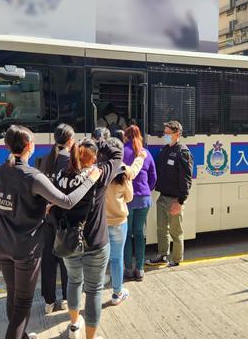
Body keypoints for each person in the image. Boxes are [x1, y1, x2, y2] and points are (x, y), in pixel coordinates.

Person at [0, 125, 100, 339]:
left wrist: (41, 207)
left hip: (0, 244)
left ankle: (21, 336)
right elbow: (67, 201)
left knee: (12, 295)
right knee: (23, 304)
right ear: (30, 145)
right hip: (24, 248)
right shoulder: (34, 177)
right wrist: (90, 179)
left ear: (6, 146)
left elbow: (4, 205)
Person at [54, 138, 122, 339]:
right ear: (93, 158)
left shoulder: (61, 176)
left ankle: (74, 325)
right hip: (95, 242)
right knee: (93, 291)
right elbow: (118, 154)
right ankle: (90, 337)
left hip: (69, 242)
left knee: (74, 282)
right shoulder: (98, 174)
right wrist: (100, 142)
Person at [36, 124, 75, 314]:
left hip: (47, 218)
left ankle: (49, 301)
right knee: (66, 259)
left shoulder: (44, 160)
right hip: (64, 219)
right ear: (70, 141)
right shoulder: (70, 161)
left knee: (48, 260)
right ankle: (67, 298)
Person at [105, 137, 146, 305]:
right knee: (117, 258)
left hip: (102, 223)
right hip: (119, 221)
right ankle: (116, 293)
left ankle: (93, 289)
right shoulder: (123, 171)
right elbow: (129, 198)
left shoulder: (100, 170)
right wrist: (140, 158)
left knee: (101, 258)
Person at [146, 121, 193, 268]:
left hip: (175, 199)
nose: (164, 136)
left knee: (176, 231)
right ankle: (162, 255)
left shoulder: (183, 152)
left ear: (177, 134)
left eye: (167, 133)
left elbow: (186, 179)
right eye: (164, 133)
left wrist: (180, 201)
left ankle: (177, 259)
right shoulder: (164, 150)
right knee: (161, 229)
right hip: (163, 197)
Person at [123, 125, 157, 281]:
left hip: (127, 199)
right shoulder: (146, 153)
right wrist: (145, 190)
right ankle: (140, 269)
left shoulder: (122, 151)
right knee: (139, 233)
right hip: (144, 199)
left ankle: (128, 269)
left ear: (126, 137)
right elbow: (153, 177)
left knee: (127, 234)